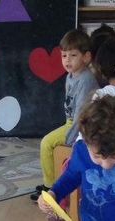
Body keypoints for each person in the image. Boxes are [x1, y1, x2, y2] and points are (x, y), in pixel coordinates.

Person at [31, 28, 98, 202]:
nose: (67, 60)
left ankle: (50, 187)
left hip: (82, 127)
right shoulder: (71, 76)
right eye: (64, 55)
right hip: (71, 122)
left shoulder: (85, 80)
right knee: (50, 144)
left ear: (86, 57)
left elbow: (82, 115)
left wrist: (71, 139)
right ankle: (54, 183)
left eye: (73, 55)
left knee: (46, 143)